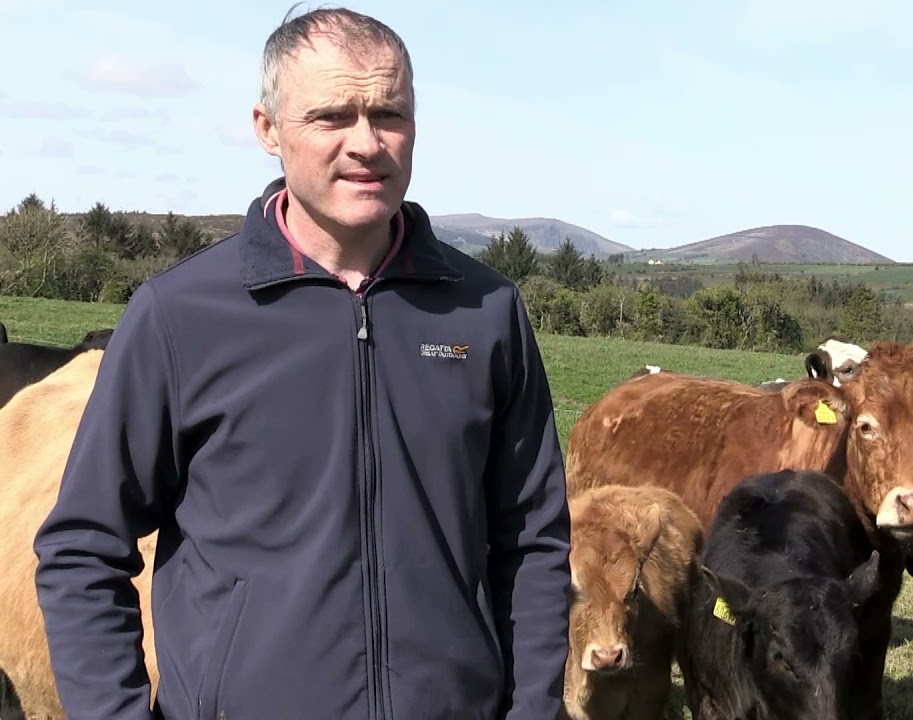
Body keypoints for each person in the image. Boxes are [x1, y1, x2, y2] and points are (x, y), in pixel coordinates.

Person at [32, 6, 571, 720]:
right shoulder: (181, 316)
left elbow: (533, 541)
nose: (367, 144)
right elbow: (82, 549)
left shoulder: (486, 311)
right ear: (267, 128)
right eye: (330, 117)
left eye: (389, 114)